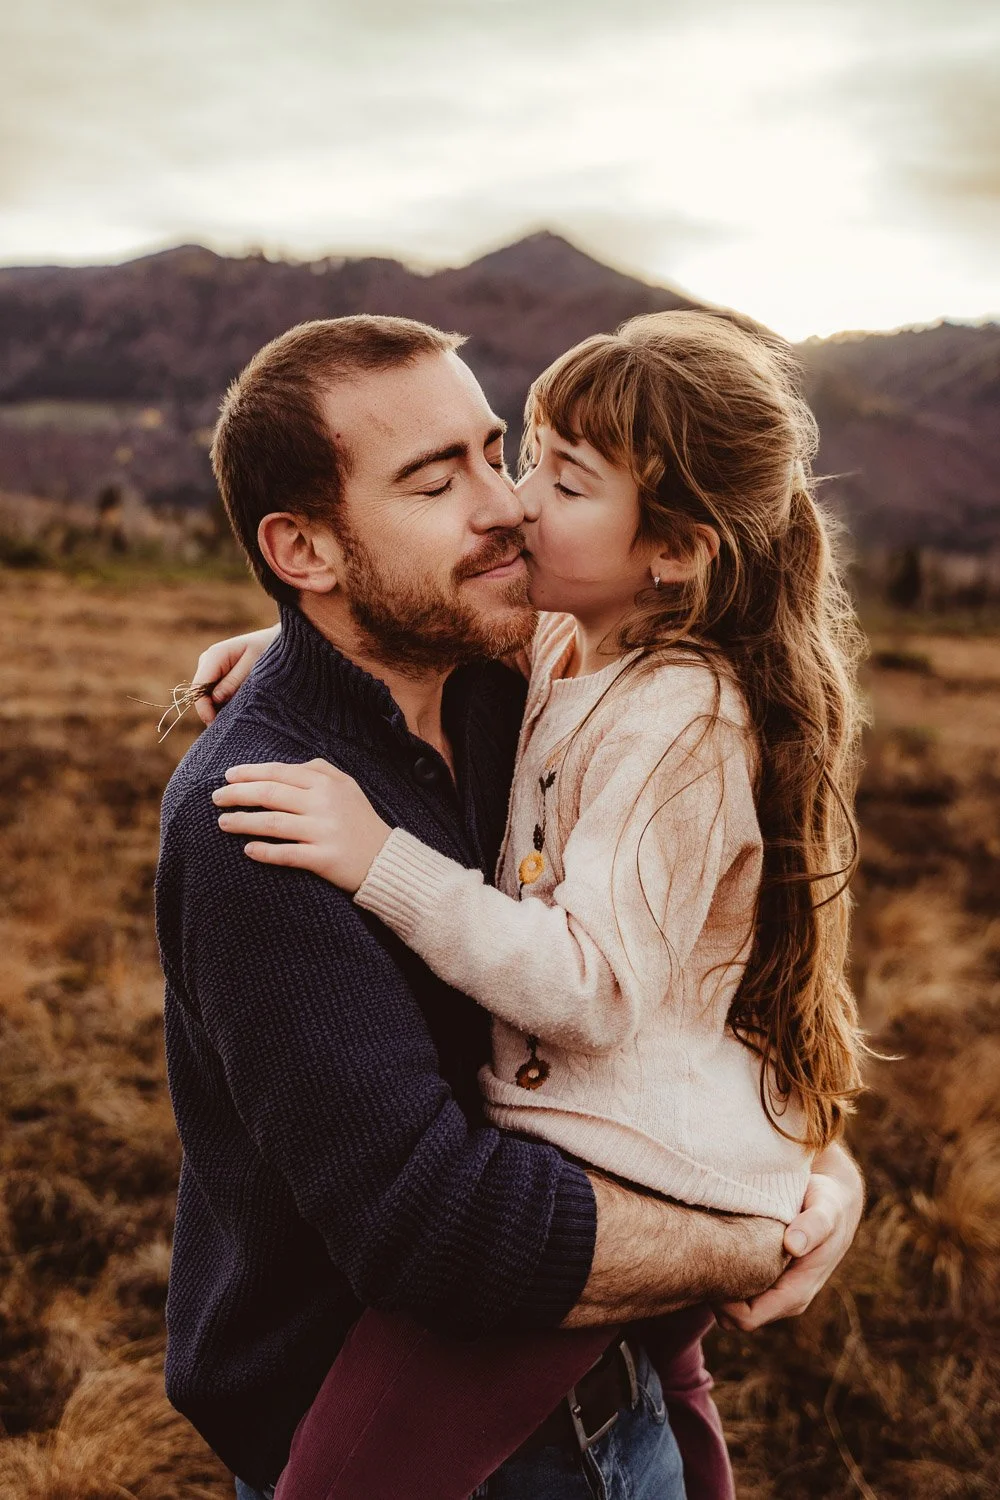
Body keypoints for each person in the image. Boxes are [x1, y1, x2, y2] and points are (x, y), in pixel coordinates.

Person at [165, 313, 864, 1500]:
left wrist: (813, 1166)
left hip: (613, 1400)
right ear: (307, 550)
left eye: (505, 453)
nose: (505, 506)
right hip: (443, 1442)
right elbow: (439, 1232)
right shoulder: (265, 820)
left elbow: (662, 977)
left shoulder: (507, 681)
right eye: (443, 482)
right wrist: (755, 1231)